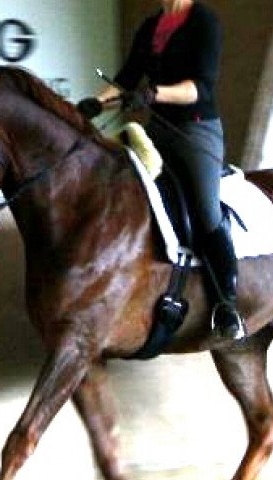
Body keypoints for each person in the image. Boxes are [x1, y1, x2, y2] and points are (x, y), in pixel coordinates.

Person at [77, 0, 246, 340]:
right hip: (157, 131)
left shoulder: (203, 21)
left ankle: (227, 304)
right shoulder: (151, 25)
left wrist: (154, 93)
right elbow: (126, 79)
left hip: (196, 130)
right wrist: (97, 102)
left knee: (205, 210)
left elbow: (201, 87)